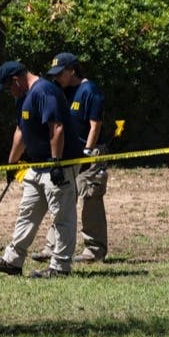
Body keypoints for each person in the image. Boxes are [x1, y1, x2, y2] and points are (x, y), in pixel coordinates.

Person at [0, 61, 81, 278]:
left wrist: (56, 163)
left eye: (9, 87)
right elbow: (21, 132)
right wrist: (11, 163)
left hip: (56, 167)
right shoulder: (23, 97)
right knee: (26, 214)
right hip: (36, 168)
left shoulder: (43, 91)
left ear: (16, 79)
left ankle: (60, 267)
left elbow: (56, 127)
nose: (10, 92)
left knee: (62, 217)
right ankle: (13, 260)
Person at [31, 52, 108, 263]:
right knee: (62, 197)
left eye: (60, 73)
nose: (56, 78)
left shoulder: (89, 90)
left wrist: (88, 153)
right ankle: (53, 245)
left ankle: (94, 249)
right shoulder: (63, 91)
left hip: (89, 153)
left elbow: (95, 125)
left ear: (72, 71)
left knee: (90, 197)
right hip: (70, 154)